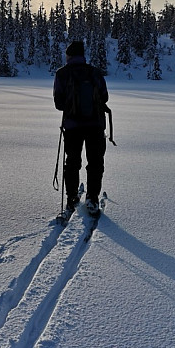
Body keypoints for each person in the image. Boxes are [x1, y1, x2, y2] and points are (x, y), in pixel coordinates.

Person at [53, 40, 109, 216]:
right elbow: (104, 97)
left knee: (72, 162)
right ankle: (92, 198)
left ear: (69, 55)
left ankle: (71, 198)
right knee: (95, 162)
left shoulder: (62, 74)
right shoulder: (95, 73)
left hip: (72, 127)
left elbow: (59, 103)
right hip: (95, 126)